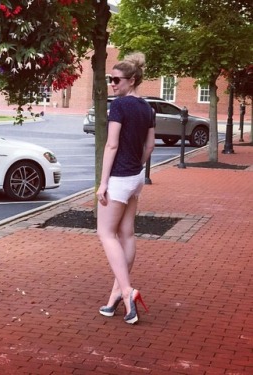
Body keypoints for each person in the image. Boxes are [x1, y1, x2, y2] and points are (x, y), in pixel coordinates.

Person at [96, 52, 155, 324]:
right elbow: (150, 146)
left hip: (119, 179)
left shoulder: (119, 106)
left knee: (106, 233)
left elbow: (111, 145)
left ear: (131, 80)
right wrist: (138, 167)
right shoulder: (147, 108)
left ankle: (128, 291)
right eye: (110, 79)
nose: (112, 84)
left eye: (116, 80)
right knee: (127, 235)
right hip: (136, 178)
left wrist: (103, 182)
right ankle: (115, 297)